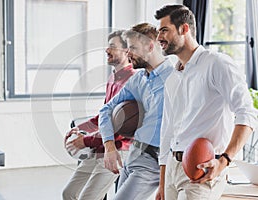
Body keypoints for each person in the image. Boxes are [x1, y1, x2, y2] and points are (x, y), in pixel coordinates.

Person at [154, 5, 257, 200]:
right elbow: (167, 131)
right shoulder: (172, 78)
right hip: (172, 170)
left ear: (184, 29)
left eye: (164, 30)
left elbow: (247, 113)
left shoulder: (217, 64)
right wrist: (162, 183)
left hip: (202, 171)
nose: (159, 37)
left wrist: (224, 161)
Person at [99, 23, 174, 200]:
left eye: (132, 47)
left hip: (154, 162)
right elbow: (106, 110)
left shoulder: (176, 76)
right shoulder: (138, 79)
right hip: (134, 155)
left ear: (150, 46)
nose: (128, 53)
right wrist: (109, 145)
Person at [62, 30, 135, 200]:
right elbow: (103, 117)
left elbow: (121, 126)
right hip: (100, 147)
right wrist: (77, 129)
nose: (106, 50)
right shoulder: (113, 78)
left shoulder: (133, 80)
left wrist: (85, 140)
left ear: (126, 51)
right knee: (69, 193)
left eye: (112, 46)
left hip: (118, 150)